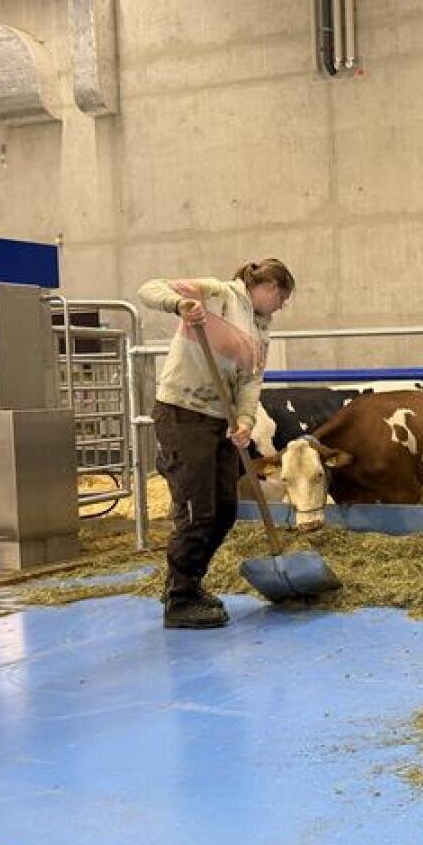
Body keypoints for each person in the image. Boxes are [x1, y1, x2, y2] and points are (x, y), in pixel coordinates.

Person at [138, 259, 294, 629]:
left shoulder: (262, 329)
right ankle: (180, 599)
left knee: (224, 509)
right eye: (283, 297)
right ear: (269, 287)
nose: (282, 306)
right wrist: (180, 306)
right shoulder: (217, 294)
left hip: (220, 421)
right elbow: (150, 286)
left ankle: (187, 582)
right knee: (198, 510)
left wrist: (244, 420)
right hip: (183, 412)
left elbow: (251, 382)